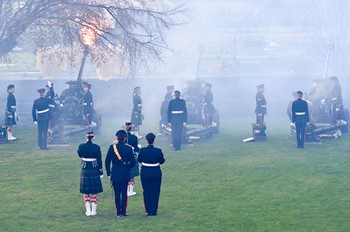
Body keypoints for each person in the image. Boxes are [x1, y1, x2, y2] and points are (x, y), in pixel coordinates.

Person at [105, 130, 136, 217]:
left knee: (117, 193)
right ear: (125, 138)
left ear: (117, 138)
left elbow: (107, 161)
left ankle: (118, 212)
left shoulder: (112, 147)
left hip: (115, 173)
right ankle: (124, 211)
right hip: (125, 173)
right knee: (124, 192)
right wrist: (127, 167)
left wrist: (108, 173)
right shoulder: (129, 148)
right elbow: (133, 162)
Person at [138, 133, 165, 216]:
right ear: (154, 140)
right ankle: (154, 211)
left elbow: (139, 160)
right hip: (156, 172)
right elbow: (162, 161)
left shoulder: (142, 150)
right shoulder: (158, 151)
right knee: (155, 191)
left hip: (145, 172)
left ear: (146, 141)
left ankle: (148, 210)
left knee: (146, 191)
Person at [77, 131, 103, 216]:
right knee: (94, 191)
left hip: (85, 169)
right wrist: (101, 171)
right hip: (94, 168)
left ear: (86, 137)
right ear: (93, 137)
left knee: (86, 192)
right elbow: (99, 159)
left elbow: (80, 155)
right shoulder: (96, 147)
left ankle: (88, 211)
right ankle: (94, 211)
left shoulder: (81, 146)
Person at [32, 82, 55, 150]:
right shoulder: (46, 100)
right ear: (44, 93)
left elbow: (33, 111)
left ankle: (40, 145)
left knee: (39, 132)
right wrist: (51, 87)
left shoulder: (35, 101)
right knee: (45, 132)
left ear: (39, 94)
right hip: (46, 117)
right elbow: (52, 95)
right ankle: (44, 146)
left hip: (39, 117)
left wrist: (34, 119)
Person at [125, 122, 140, 196]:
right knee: (132, 174)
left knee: (126, 174)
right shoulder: (134, 137)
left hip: (124, 157)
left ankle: (126, 190)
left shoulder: (122, 137)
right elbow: (136, 149)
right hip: (132, 156)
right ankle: (130, 191)